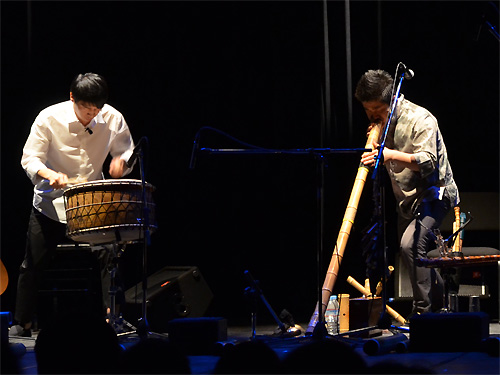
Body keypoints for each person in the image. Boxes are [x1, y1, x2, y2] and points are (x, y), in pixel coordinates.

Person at [10, 73, 135, 337]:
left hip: (91, 202)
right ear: (72, 99)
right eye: (86, 109)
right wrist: (49, 174)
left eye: (96, 110)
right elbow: (30, 158)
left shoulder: (112, 118)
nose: (91, 115)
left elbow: (126, 150)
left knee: (110, 255)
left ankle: (113, 318)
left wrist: (121, 162)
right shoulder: (48, 118)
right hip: (50, 203)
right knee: (32, 262)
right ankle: (23, 322)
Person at [355, 69, 459, 319]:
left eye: (377, 111)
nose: (373, 117)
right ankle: (440, 303)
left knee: (410, 245)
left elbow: (428, 162)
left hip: (435, 195)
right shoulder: (382, 123)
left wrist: (389, 154)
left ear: (391, 101)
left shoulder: (420, 118)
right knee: (410, 252)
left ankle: (422, 314)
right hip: (406, 202)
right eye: (368, 112)